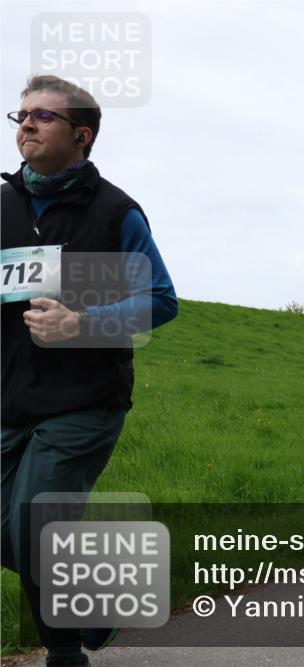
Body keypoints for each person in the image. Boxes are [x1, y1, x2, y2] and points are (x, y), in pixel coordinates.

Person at [2, 75, 178, 667]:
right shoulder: (3, 206)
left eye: (42, 116)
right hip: (9, 396)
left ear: (82, 136)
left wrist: (82, 322)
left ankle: (63, 653)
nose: (25, 124)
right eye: (20, 114)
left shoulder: (115, 213)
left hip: (84, 399)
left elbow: (159, 301)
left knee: (33, 523)